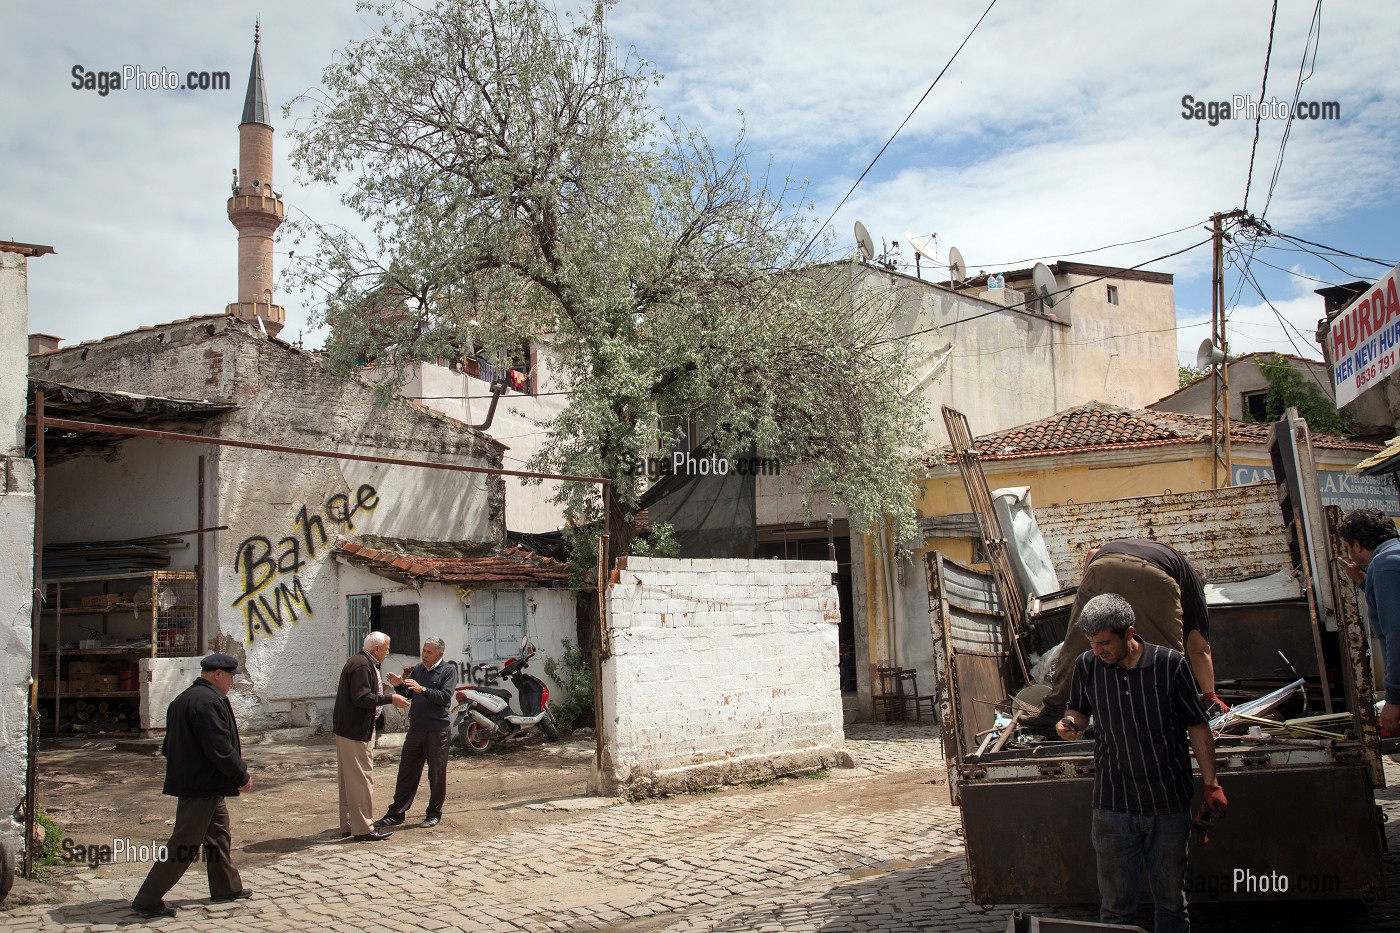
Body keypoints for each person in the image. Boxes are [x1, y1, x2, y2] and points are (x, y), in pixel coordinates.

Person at [1056, 593, 1224, 933]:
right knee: (1116, 908)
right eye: (1092, 643)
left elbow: (1197, 726)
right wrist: (1069, 724)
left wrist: (1211, 783)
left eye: (1105, 642)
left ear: (1129, 633)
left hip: (1167, 805)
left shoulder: (1171, 665)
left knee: (1172, 904)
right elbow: (1079, 711)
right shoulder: (1088, 665)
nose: (1098, 650)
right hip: (1113, 806)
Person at [1025, 539, 1224, 729]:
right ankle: (1172, 713)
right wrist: (1210, 695)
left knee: (1079, 640)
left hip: (1101, 565)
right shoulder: (1190, 577)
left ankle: (1053, 711)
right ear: (1197, 572)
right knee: (1165, 656)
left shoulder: (1154, 550)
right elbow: (1199, 647)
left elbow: (1092, 553)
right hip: (1152, 576)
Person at [131, 653, 253, 919]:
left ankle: (227, 887)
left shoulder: (185, 698)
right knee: (184, 843)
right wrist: (240, 774)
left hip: (204, 783)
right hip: (201, 785)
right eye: (231, 676)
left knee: (219, 835)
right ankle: (148, 899)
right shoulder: (206, 702)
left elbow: (167, 746)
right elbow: (219, 747)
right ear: (217, 674)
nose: (232, 682)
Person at [374, 636, 457, 829]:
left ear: (440, 654)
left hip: (437, 730)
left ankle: (433, 813)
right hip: (416, 728)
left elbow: (445, 697)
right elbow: (410, 693)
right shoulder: (418, 669)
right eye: (424, 651)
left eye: (429, 652)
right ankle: (396, 813)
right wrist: (398, 685)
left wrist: (424, 689)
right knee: (407, 770)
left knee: (436, 773)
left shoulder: (448, 670)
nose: (425, 655)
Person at [334, 632, 410, 841]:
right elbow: (361, 698)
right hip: (355, 730)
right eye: (386, 648)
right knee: (360, 780)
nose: (387, 652)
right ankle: (364, 828)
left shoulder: (362, 662)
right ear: (376, 649)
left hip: (350, 729)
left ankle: (350, 824)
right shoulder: (361, 665)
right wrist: (389, 698)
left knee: (350, 781)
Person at [1338, 508, 1400, 733]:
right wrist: (1365, 582)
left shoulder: (1384, 565)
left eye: (1347, 547)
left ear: (1356, 545)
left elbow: (1396, 633)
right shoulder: (1393, 557)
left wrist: (1394, 697)